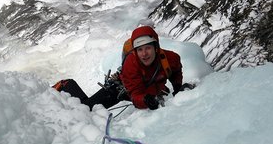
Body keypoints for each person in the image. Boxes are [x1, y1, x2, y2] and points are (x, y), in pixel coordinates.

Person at [52, 25, 183, 110]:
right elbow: (135, 95)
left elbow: (176, 71)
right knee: (87, 108)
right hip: (119, 88)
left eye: (148, 48)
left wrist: (177, 87)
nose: (144, 54)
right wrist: (145, 100)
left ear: (156, 47)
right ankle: (66, 85)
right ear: (135, 51)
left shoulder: (170, 58)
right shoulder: (131, 64)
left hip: (148, 87)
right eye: (140, 50)